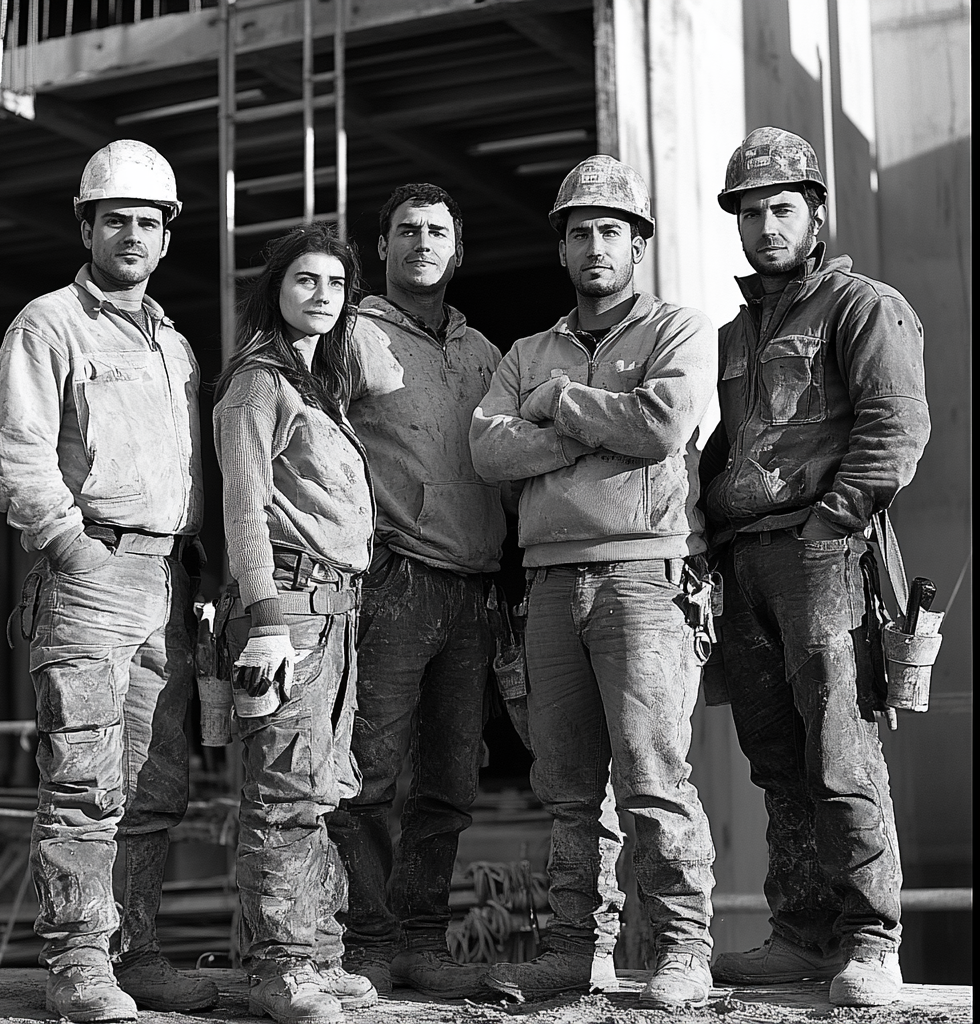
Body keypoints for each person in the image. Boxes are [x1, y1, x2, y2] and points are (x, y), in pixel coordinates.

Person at [470, 154, 718, 1011]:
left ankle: (684, 950)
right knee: (568, 788)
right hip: (547, 585)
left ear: (638, 244)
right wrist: (586, 426)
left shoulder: (677, 331)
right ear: (563, 250)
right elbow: (487, 450)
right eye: (580, 233)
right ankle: (578, 953)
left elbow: (660, 426)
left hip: (642, 578)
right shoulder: (526, 349)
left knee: (653, 776)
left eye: (612, 230)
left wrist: (558, 405)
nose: (596, 246)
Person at [0, 140, 217, 1022]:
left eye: (148, 221)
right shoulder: (49, 324)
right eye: (114, 217)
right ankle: (78, 960)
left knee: (157, 779)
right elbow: (17, 454)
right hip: (91, 571)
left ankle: (135, 951)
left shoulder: (176, 345)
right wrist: (71, 547)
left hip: (163, 578)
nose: (132, 232)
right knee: (83, 775)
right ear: (86, 226)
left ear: (166, 237)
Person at [699, 127, 931, 1008]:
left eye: (780, 208)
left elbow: (895, 431)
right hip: (744, 562)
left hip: (821, 555)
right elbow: (725, 447)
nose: (764, 225)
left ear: (816, 213)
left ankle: (872, 939)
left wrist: (828, 526)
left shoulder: (863, 306)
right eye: (750, 211)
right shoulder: (733, 333)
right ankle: (800, 933)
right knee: (775, 758)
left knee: (841, 751)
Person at [325, 183, 506, 1000]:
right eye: (406, 231)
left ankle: (424, 941)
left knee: (449, 780)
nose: (422, 242)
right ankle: (365, 941)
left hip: (472, 589)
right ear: (383, 246)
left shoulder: (484, 353)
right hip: (392, 576)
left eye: (437, 231)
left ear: (457, 248)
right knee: (367, 770)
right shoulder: (349, 333)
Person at [212, 224, 380, 1024]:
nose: (323, 296)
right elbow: (244, 512)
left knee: (321, 789)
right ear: (275, 289)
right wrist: (267, 621)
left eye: (337, 285)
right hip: (292, 609)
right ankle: (283, 969)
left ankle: (317, 952)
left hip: (335, 611)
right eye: (306, 281)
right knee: (283, 792)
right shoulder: (258, 384)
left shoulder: (320, 386)